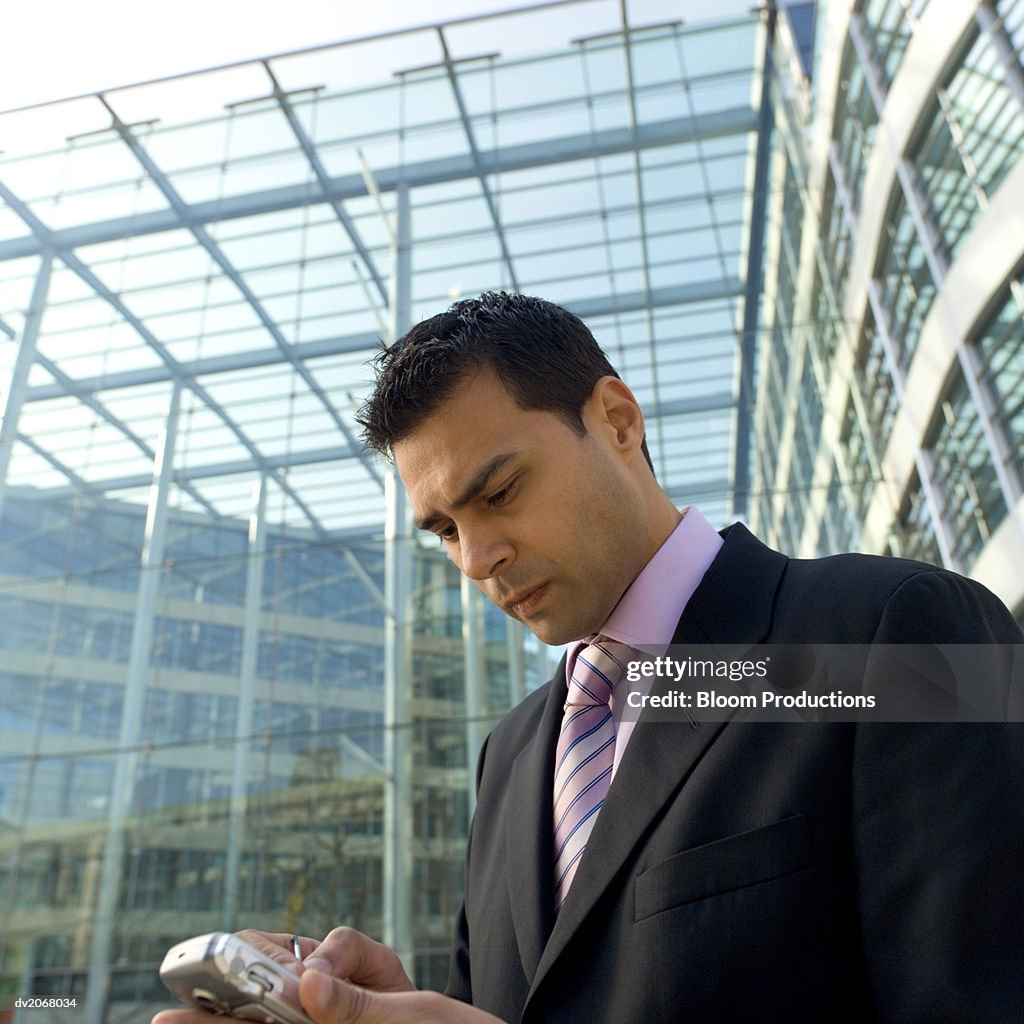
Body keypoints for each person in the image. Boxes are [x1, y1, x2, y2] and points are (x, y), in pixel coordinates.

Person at [154, 292, 1023, 1024]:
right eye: (444, 531)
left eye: (497, 493)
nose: (474, 558)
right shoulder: (514, 753)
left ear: (616, 419)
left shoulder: (897, 631)